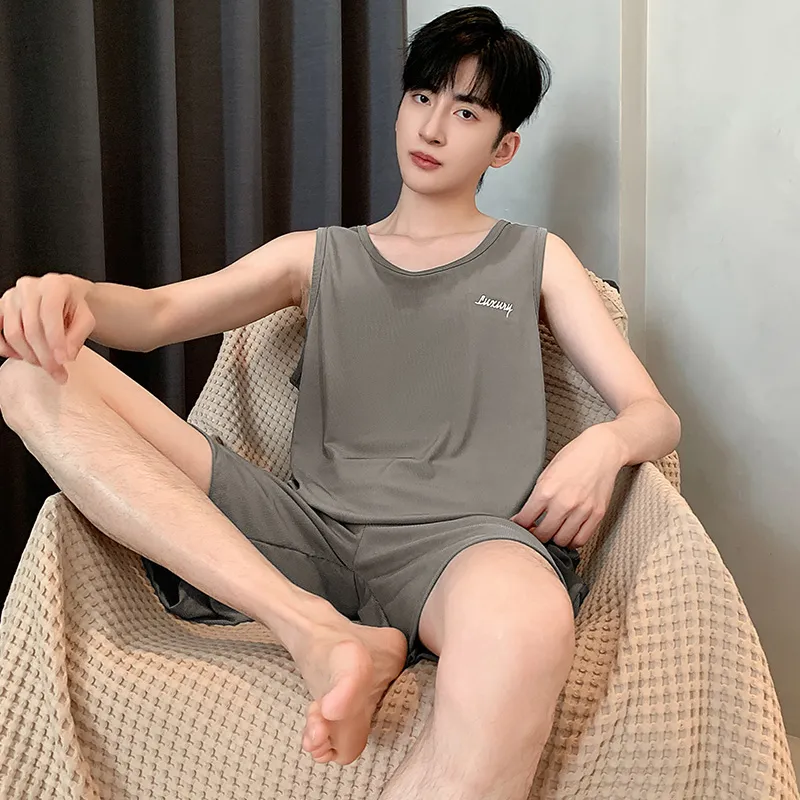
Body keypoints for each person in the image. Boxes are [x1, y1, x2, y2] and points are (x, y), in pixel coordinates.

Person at [0, 6, 681, 799]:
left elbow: (653, 412)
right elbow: (153, 316)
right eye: (421, 97)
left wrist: (603, 445)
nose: (432, 126)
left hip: (462, 548)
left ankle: (354, 640)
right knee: (29, 377)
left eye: (466, 112)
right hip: (305, 531)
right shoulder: (315, 256)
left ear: (504, 147)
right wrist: (70, 293)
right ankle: (313, 630)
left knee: (525, 626)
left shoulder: (536, 259)